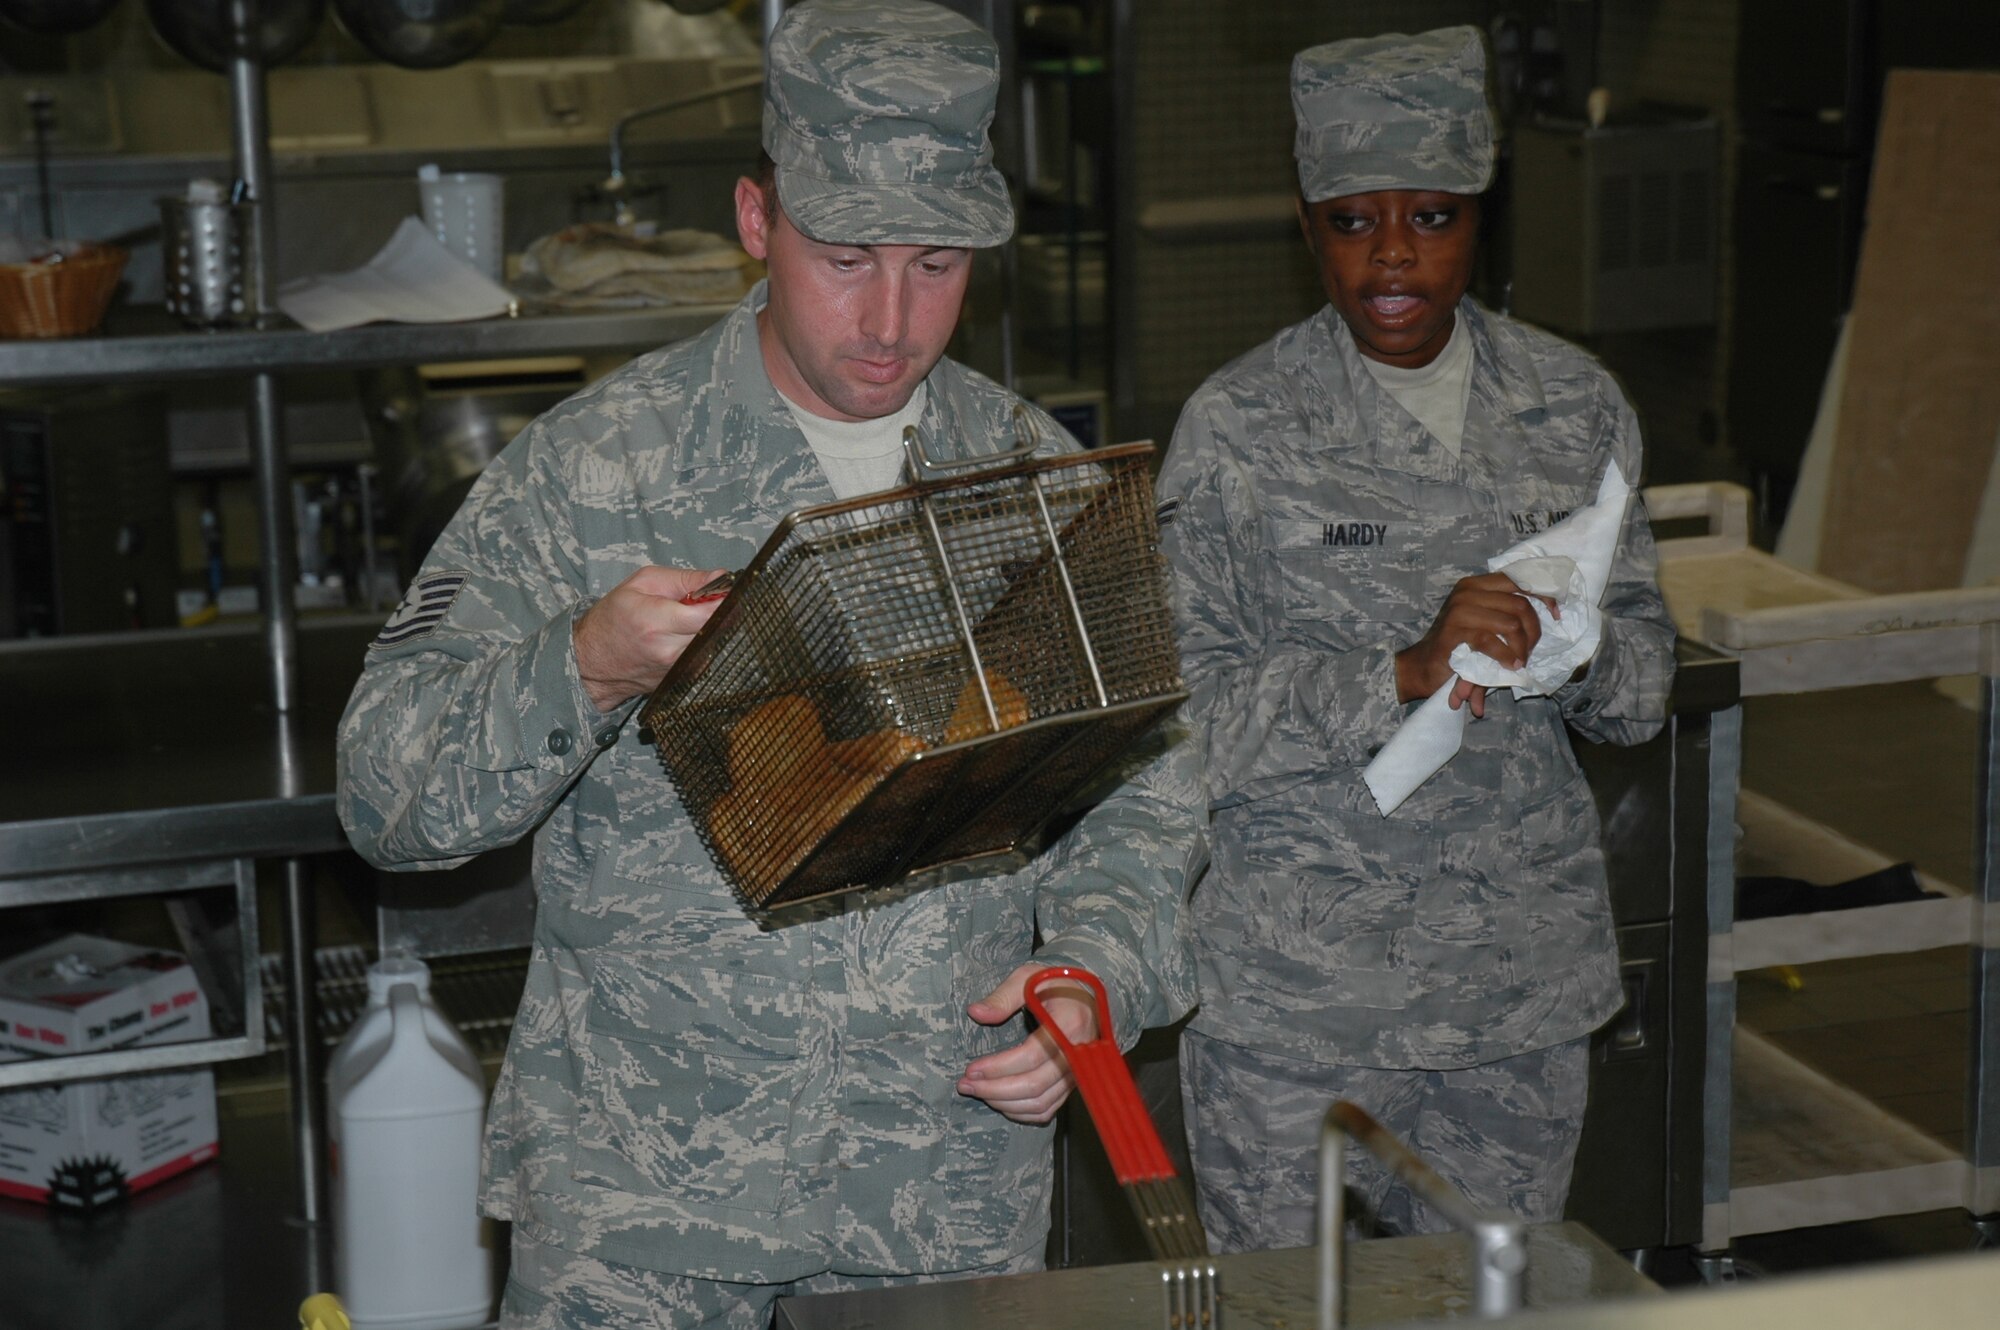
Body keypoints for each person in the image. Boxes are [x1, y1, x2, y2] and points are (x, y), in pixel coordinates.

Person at [338, 3, 1197, 1324]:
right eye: (847, 256)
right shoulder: (600, 469)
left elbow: (1145, 789)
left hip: (937, 1200)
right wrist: (587, 665)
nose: (892, 318)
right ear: (756, 219)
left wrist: (1091, 972)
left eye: (938, 263)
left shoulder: (1036, 484)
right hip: (645, 1215)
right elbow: (387, 798)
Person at [1154, 25, 1675, 1251]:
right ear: (1305, 228)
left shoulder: (1570, 405)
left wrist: (1580, 650)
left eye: (1431, 216)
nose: (1392, 255)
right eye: (1351, 220)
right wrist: (1396, 671)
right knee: (1277, 1309)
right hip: (1295, 992)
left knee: (1491, 1302)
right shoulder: (1236, 427)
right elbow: (1178, 724)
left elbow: (1646, 687)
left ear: (1478, 220)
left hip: (1512, 988)